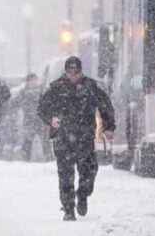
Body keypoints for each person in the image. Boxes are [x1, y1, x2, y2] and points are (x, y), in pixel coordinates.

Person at [38, 56, 115, 221]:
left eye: (76, 72)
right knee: (65, 174)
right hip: (62, 137)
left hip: (85, 137)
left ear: (81, 72)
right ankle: (68, 208)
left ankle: (83, 194)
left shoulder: (90, 87)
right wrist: (51, 119)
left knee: (89, 171)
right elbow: (42, 107)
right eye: (70, 72)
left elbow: (105, 106)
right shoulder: (56, 88)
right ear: (65, 72)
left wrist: (108, 127)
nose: (73, 75)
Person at [11, 73, 52, 162]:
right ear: (28, 82)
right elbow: (15, 103)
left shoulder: (41, 90)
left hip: (41, 120)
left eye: (34, 80)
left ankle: (49, 159)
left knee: (45, 141)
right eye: (31, 81)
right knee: (27, 142)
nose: (33, 82)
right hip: (29, 121)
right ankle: (26, 159)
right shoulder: (24, 92)